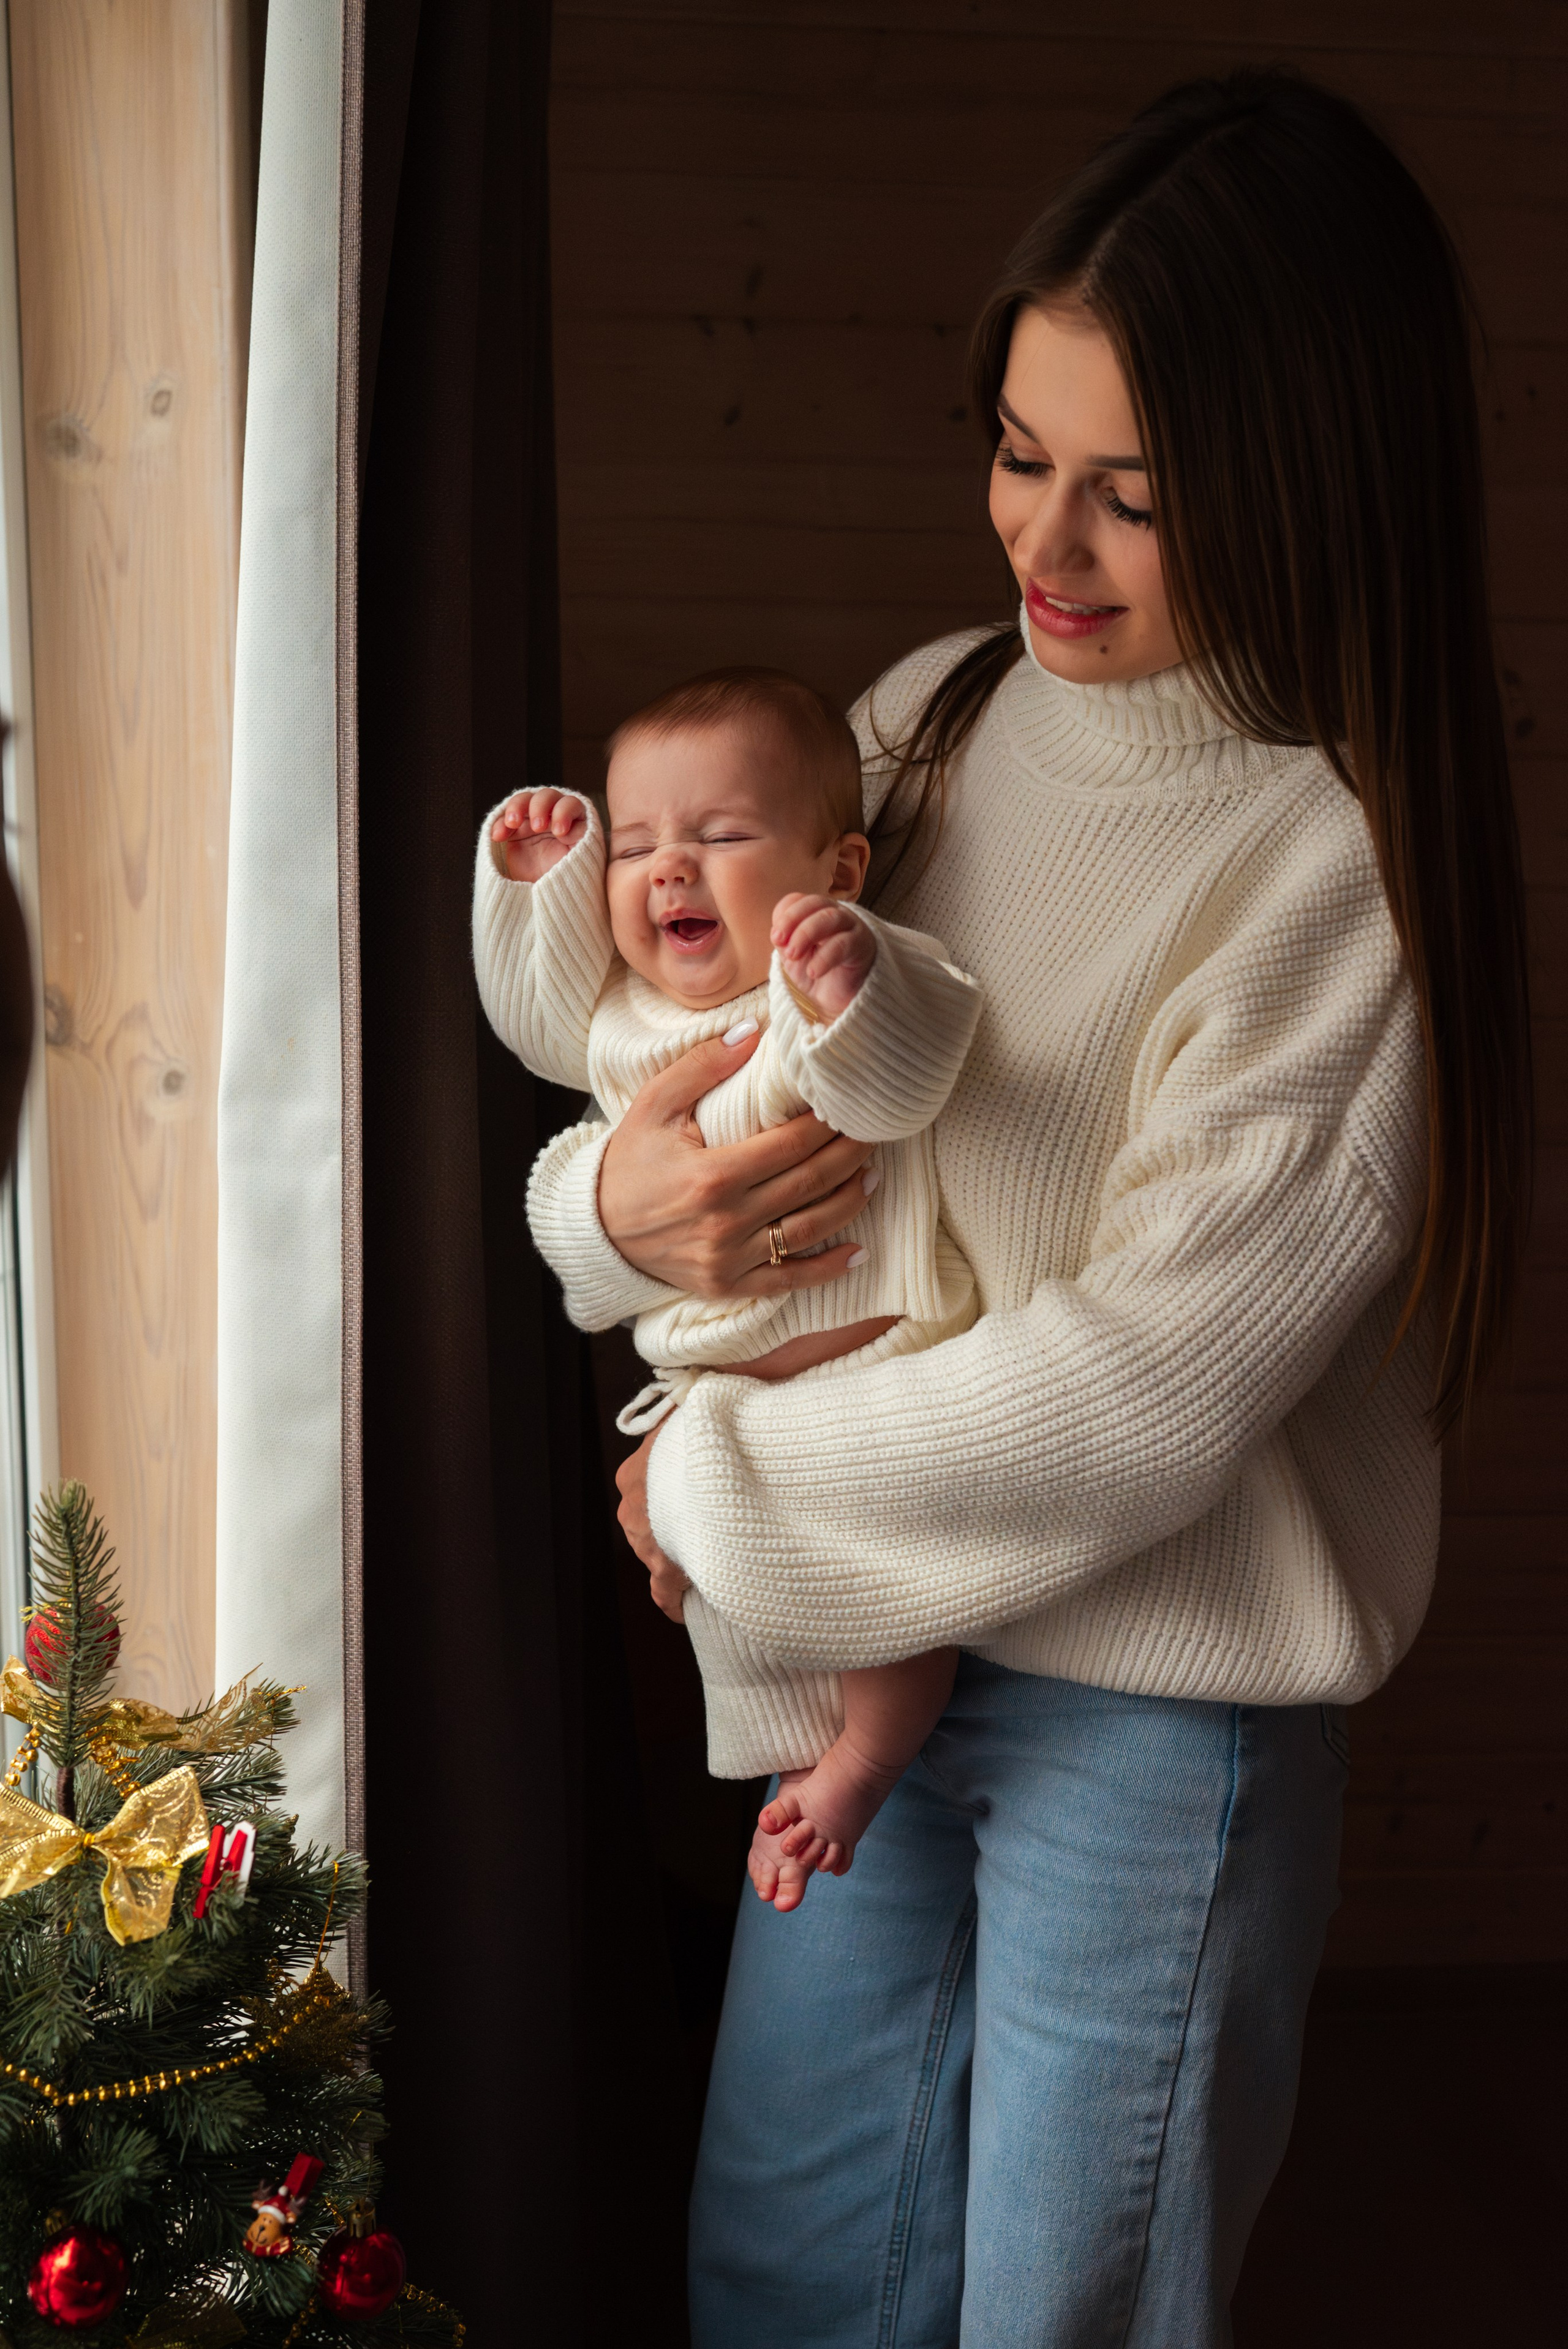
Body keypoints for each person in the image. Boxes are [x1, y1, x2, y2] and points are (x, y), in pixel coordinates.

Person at [528, 70, 1531, 2347]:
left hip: (1150, 1720)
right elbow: (665, 1089)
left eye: (1135, 495)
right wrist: (612, 1212)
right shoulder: (924, 724)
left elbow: (1137, 1391)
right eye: (1015, 452)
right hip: (863, 1648)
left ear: (1306, 482)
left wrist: (717, 1473)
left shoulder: (1330, 870)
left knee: (1052, 2317)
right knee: (783, 2275)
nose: (1041, 549)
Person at [473, 668, 981, 1910]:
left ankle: (867, 1752)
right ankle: (801, 1769)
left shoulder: (812, 990)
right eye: (634, 843)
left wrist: (855, 982)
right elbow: (533, 1022)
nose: (667, 870)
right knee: (733, 1618)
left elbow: (902, 1080)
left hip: (867, 1365)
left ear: (840, 868)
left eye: (720, 836)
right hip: (710, 1393)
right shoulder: (620, 1019)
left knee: (874, 1607)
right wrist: (533, 890)